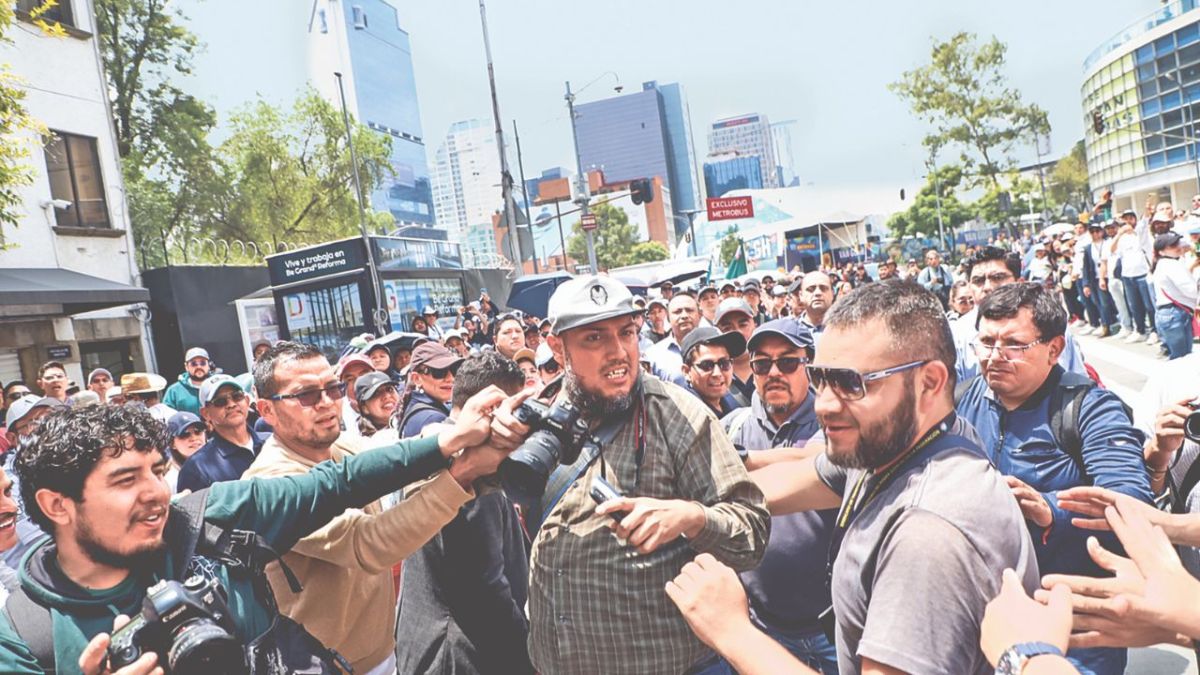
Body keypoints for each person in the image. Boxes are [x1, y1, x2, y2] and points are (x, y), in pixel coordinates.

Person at [0, 371, 517, 674]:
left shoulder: (212, 518)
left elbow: (340, 483)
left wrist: (450, 444)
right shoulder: (24, 634)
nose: (155, 494)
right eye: (123, 480)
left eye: (157, 471)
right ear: (56, 505)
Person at [751, 280, 1038, 674]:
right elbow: (789, 482)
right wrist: (694, 507)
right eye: (821, 379)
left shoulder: (926, 534)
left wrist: (731, 631)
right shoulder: (895, 443)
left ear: (930, 382)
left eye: (852, 383)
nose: (825, 404)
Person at [525, 275, 770, 675]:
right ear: (557, 346)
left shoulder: (677, 416)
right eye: (594, 338)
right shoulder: (539, 414)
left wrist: (691, 517)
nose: (618, 352)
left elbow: (752, 531)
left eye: (627, 333)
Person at [239, 341, 519, 675]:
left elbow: (399, 461)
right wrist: (463, 470)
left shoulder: (340, 447)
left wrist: (454, 436)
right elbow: (367, 543)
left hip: (381, 653)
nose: (327, 403)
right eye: (307, 395)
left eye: (333, 388)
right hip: (323, 665)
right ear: (266, 410)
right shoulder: (272, 481)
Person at [954, 282, 1152, 675]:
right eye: (986, 342)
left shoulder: (1090, 408)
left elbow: (1132, 503)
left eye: (1014, 345)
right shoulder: (960, 400)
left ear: (1055, 348)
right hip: (984, 614)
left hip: (1073, 625)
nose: (995, 356)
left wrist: (1050, 510)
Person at [703, 319, 837, 675]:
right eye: (762, 364)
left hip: (833, 630)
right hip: (765, 627)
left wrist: (743, 461)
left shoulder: (833, 418)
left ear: (809, 363)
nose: (774, 372)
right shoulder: (733, 426)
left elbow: (828, 460)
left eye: (788, 362)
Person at [395, 351, 534, 675]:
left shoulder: (440, 449)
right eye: (517, 410)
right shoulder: (469, 468)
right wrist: (527, 652)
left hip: (433, 642)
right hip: (461, 653)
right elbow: (484, 588)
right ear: (492, 406)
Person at [952, 246, 1087, 381]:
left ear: (1019, 282)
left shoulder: (1049, 323)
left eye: (998, 277)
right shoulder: (956, 334)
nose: (987, 287)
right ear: (969, 286)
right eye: (978, 281)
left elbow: (1077, 380)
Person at [176, 374, 268, 492]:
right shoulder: (196, 468)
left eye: (236, 396)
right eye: (220, 401)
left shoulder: (274, 443)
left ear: (247, 400)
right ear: (206, 413)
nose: (231, 404)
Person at [396, 341, 461, 438]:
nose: (450, 378)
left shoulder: (418, 405)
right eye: (439, 372)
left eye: (454, 370)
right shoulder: (432, 419)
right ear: (417, 379)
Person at [679, 326, 745, 417]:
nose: (717, 373)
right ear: (687, 372)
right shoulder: (686, 416)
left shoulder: (731, 406)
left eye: (724, 363)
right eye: (707, 365)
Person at [1152, 231, 1198, 359]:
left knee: (1180, 356)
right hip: (1174, 313)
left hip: (1171, 313)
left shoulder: (1167, 263)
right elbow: (1190, 290)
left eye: (1177, 243)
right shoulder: (1170, 265)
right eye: (1171, 246)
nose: (1177, 247)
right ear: (1161, 252)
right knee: (1181, 358)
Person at [645, 292, 700, 384]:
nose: (684, 316)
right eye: (677, 312)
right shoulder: (653, 356)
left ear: (699, 314)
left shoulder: (715, 346)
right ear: (668, 318)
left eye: (689, 310)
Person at [716, 298, 758, 405]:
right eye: (727, 328)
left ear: (755, 325)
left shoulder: (772, 367)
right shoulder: (715, 377)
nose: (738, 332)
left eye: (743, 325)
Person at [163, 411, 206, 492]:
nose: (194, 438)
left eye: (198, 432)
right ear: (172, 444)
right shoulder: (171, 482)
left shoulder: (221, 463)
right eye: (185, 435)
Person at [162, 347, 212, 415]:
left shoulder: (218, 386)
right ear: (186, 367)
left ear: (208, 365)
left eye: (202, 363)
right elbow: (167, 417)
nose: (199, 367)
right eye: (194, 364)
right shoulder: (174, 391)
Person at [336, 352, 375, 438]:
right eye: (350, 379)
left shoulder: (392, 403)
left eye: (365, 375)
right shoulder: (336, 415)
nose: (359, 383)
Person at [354, 371, 400, 438]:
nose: (387, 396)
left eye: (389, 389)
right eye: (376, 393)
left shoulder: (413, 420)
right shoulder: (362, 441)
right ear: (364, 408)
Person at [795, 272, 834, 336]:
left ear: (832, 294)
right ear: (801, 295)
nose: (817, 293)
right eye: (810, 289)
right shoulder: (790, 332)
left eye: (823, 288)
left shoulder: (848, 328)